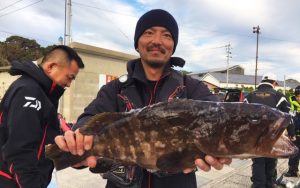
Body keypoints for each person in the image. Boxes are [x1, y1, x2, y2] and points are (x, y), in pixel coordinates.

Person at [55, 9, 231, 188]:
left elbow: (221, 116)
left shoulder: (192, 87)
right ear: (137, 43)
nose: (157, 41)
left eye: (166, 35)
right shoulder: (114, 89)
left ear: (173, 46)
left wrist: (222, 148)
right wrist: (76, 144)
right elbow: (89, 119)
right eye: (148, 33)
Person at [0, 45, 84, 188]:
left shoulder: (44, 94)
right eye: (70, 77)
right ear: (51, 66)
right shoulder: (29, 91)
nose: (69, 84)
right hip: (13, 181)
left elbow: (44, 140)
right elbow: (20, 151)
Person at [244, 72, 291, 188]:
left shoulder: (249, 96)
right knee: (271, 158)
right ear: (274, 83)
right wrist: (292, 133)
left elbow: (242, 117)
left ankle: (258, 184)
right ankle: (270, 183)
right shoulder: (279, 96)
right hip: (272, 135)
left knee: (258, 160)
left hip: (254, 135)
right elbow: (288, 117)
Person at [284, 85, 300, 177]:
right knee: (294, 152)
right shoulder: (290, 104)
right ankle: (292, 171)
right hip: (294, 134)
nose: (299, 98)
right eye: (297, 96)